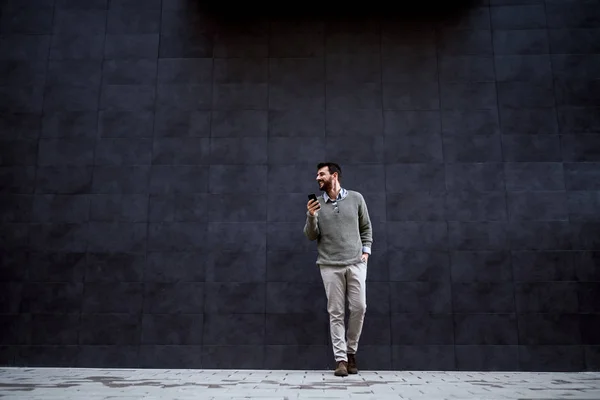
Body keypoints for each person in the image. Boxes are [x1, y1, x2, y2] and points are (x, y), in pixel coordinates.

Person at [303, 162, 373, 377]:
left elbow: (366, 226)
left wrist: (366, 251)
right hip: (329, 265)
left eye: (321, 174)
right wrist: (311, 217)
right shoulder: (317, 206)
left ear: (334, 176)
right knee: (336, 313)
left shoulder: (356, 198)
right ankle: (341, 360)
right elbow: (311, 235)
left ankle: (351, 351)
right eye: (317, 175)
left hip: (355, 262)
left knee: (359, 307)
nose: (317, 178)